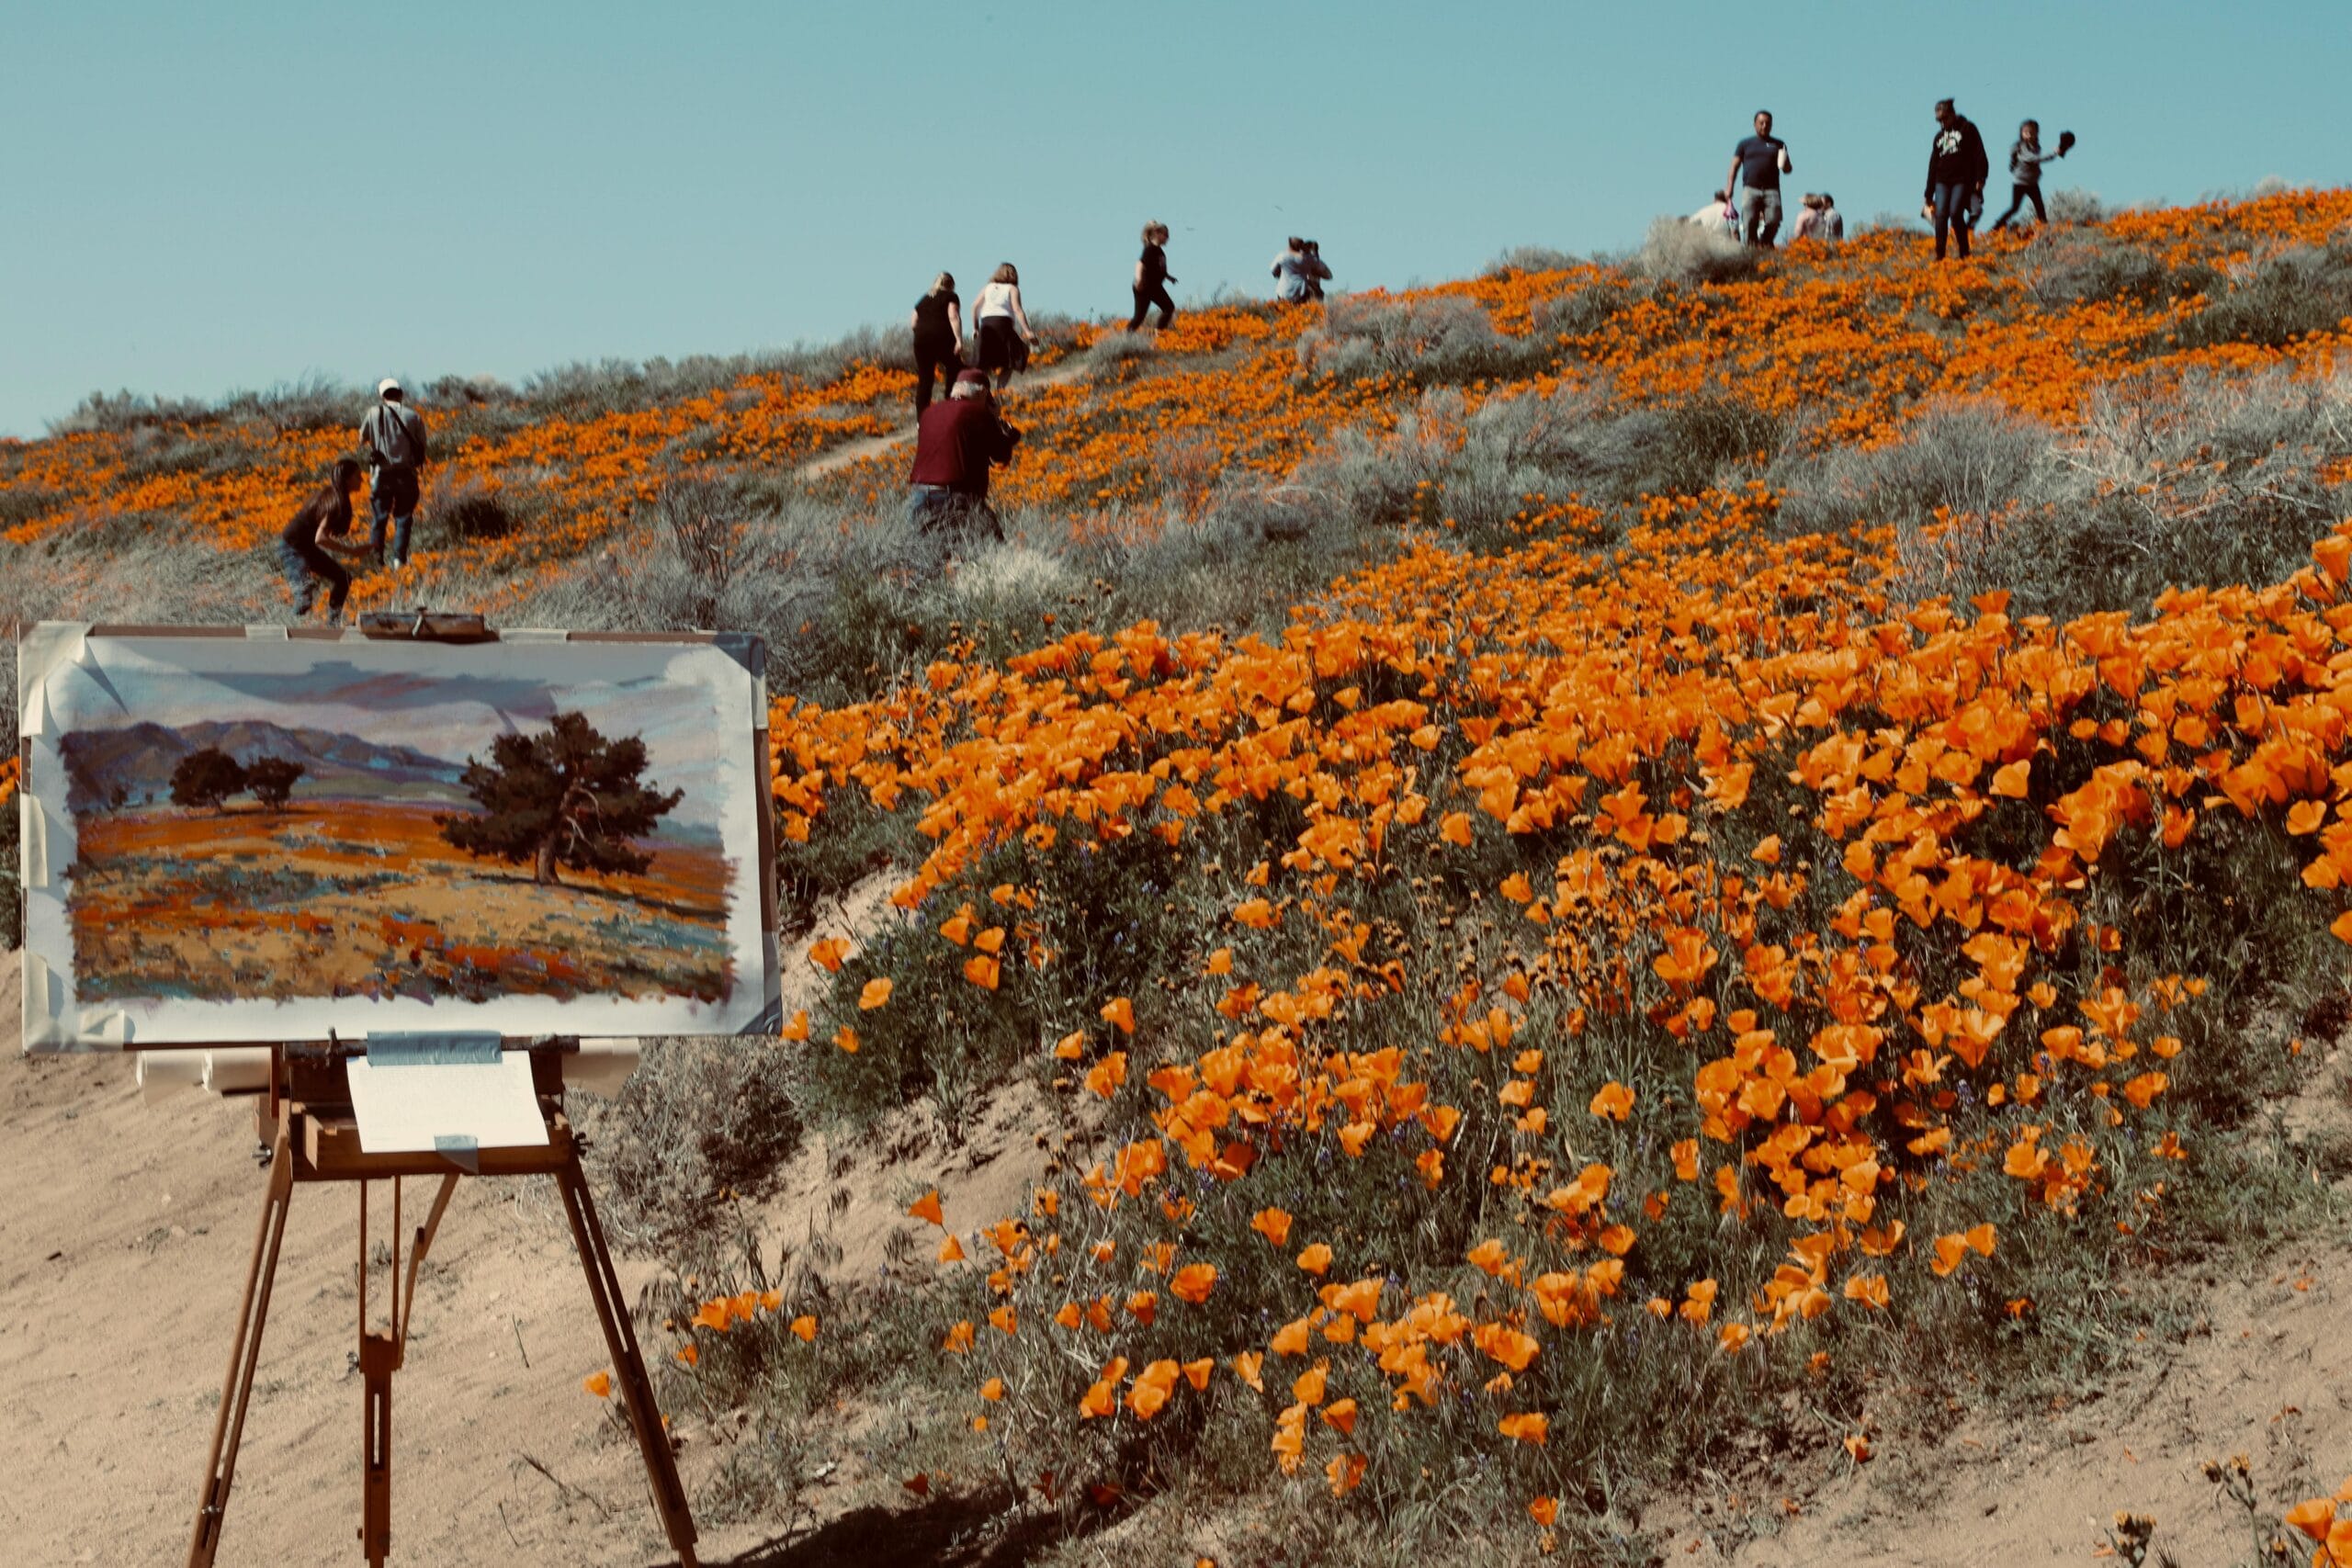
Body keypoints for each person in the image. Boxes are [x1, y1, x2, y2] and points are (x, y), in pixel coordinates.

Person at [905, 369, 1020, 543]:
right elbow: (1001, 454)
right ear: (982, 392)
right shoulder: (976, 413)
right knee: (991, 546)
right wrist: (996, 420)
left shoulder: (929, 412)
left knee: (927, 555)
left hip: (918, 496)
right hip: (954, 497)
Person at [277, 458, 371, 625]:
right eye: (358, 476)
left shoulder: (336, 496)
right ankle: (284, 626)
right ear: (347, 479)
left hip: (305, 547)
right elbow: (320, 538)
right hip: (292, 548)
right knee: (304, 597)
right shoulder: (336, 501)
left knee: (344, 579)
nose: (362, 480)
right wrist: (352, 551)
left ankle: (333, 624)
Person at [358, 378, 429, 569]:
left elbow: (361, 438)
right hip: (407, 474)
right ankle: (399, 560)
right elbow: (422, 445)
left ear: (382, 396)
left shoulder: (373, 413)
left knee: (379, 519)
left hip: (382, 475)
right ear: (401, 393)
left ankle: (376, 561)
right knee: (403, 518)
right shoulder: (413, 416)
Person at [1922, 98, 1989, 261]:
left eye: (1945, 118)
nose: (1942, 123)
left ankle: (1964, 252)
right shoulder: (1939, 137)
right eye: (1939, 120)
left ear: (1952, 114)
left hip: (1962, 179)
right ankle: (1940, 255)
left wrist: (1981, 177)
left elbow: (1979, 153)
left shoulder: (1967, 128)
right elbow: (1933, 165)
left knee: (1955, 213)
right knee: (1941, 216)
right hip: (1942, 181)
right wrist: (1929, 192)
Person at [1723, 110, 1792, 248]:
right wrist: (1730, 186)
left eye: (1768, 123)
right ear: (1755, 124)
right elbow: (1734, 166)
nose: (1764, 126)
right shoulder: (1745, 144)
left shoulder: (1779, 144)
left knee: (1774, 219)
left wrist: (1785, 165)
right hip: (1750, 188)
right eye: (1761, 123)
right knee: (1749, 222)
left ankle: (1765, 241)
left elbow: (1788, 170)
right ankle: (1751, 251)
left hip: (1771, 190)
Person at [1991, 121, 2072, 231]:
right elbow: (2034, 159)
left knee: (2039, 207)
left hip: (2032, 183)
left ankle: (2044, 230)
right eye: (2026, 132)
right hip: (2020, 183)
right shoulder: (2021, 147)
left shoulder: (2036, 146)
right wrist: (2054, 153)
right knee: (2015, 208)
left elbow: (2039, 158)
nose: (2029, 135)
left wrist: (2058, 150)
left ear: (2037, 133)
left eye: (2032, 132)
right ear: (2021, 133)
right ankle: (1996, 227)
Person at [972, 264, 1037, 393]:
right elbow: (1018, 310)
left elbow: (974, 306)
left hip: (986, 325)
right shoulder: (1012, 288)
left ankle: (981, 392)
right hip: (1003, 324)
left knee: (984, 360)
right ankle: (999, 390)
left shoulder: (988, 287)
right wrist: (1028, 332)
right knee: (1016, 355)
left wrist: (976, 327)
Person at [910, 272, 965, 414]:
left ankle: (921, 420)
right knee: (955, 368)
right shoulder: (951, 296)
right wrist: (958, 339)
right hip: (941, 337)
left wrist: (922, 333)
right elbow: (953, 316)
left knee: (925, 379)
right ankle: (950, 403)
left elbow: (913, 322)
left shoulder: (924, 298)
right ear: (951, 285)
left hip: (921, 339)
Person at [1130, 221, 1177, 331]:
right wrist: (1139, 280)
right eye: (1166, 235)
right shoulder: (1150, 249)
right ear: (1157, 234)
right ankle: (1125, 337)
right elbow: (1140, 264)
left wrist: (1168, 277)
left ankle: (1159, 333)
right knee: (1140, 317)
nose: (1168, 238)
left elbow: (1159, 269)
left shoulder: (1159, 251)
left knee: (1168, 308)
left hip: (1154, 287)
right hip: (1145, 287)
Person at [1272, 237, 1333, 305]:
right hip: (1302, 294)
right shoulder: (1312, 260)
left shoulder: (1283, 256)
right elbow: (1329, 276)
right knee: (1317, 292)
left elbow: (1274, 272)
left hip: (1283, 293)